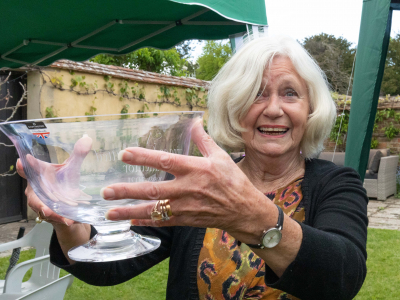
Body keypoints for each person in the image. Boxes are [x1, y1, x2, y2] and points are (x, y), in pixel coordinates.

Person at [18, 35, 368, 300]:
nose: (274, 108)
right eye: (257, 94)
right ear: (234, 109)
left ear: (310, 110)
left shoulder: (337, 183)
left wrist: (247, 214)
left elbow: (342, 276)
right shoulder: (199, 184)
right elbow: (112, 268)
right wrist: (68, 219)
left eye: (290, 93)